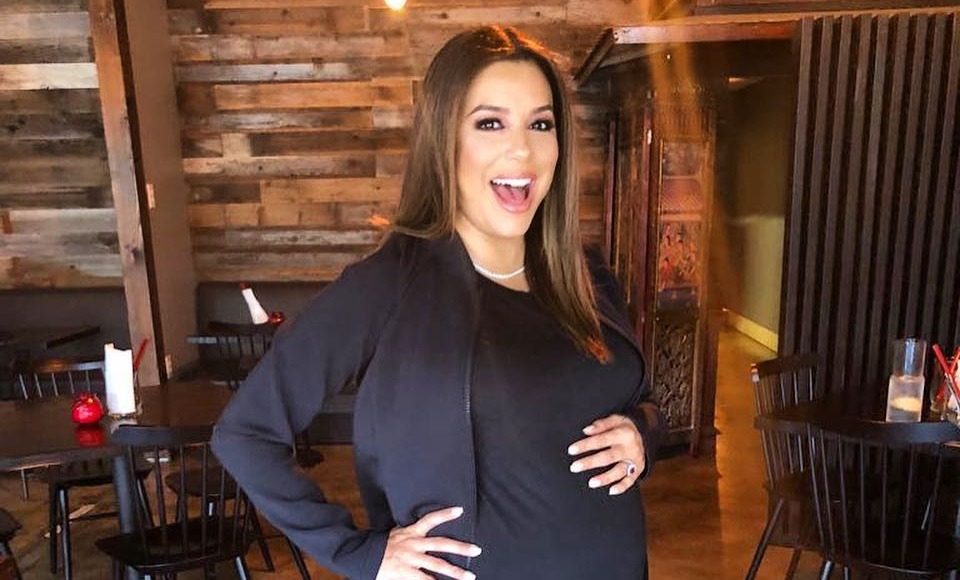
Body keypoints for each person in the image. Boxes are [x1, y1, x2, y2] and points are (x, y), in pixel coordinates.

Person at [212, 25, 664, 580]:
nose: (522, 149)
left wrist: (642, 433)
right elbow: (245, 433)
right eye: (490, 123)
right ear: (443, 139)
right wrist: (360, 553)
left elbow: (638, 398)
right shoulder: (389, 285)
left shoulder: (585, 271)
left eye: (540, 124)